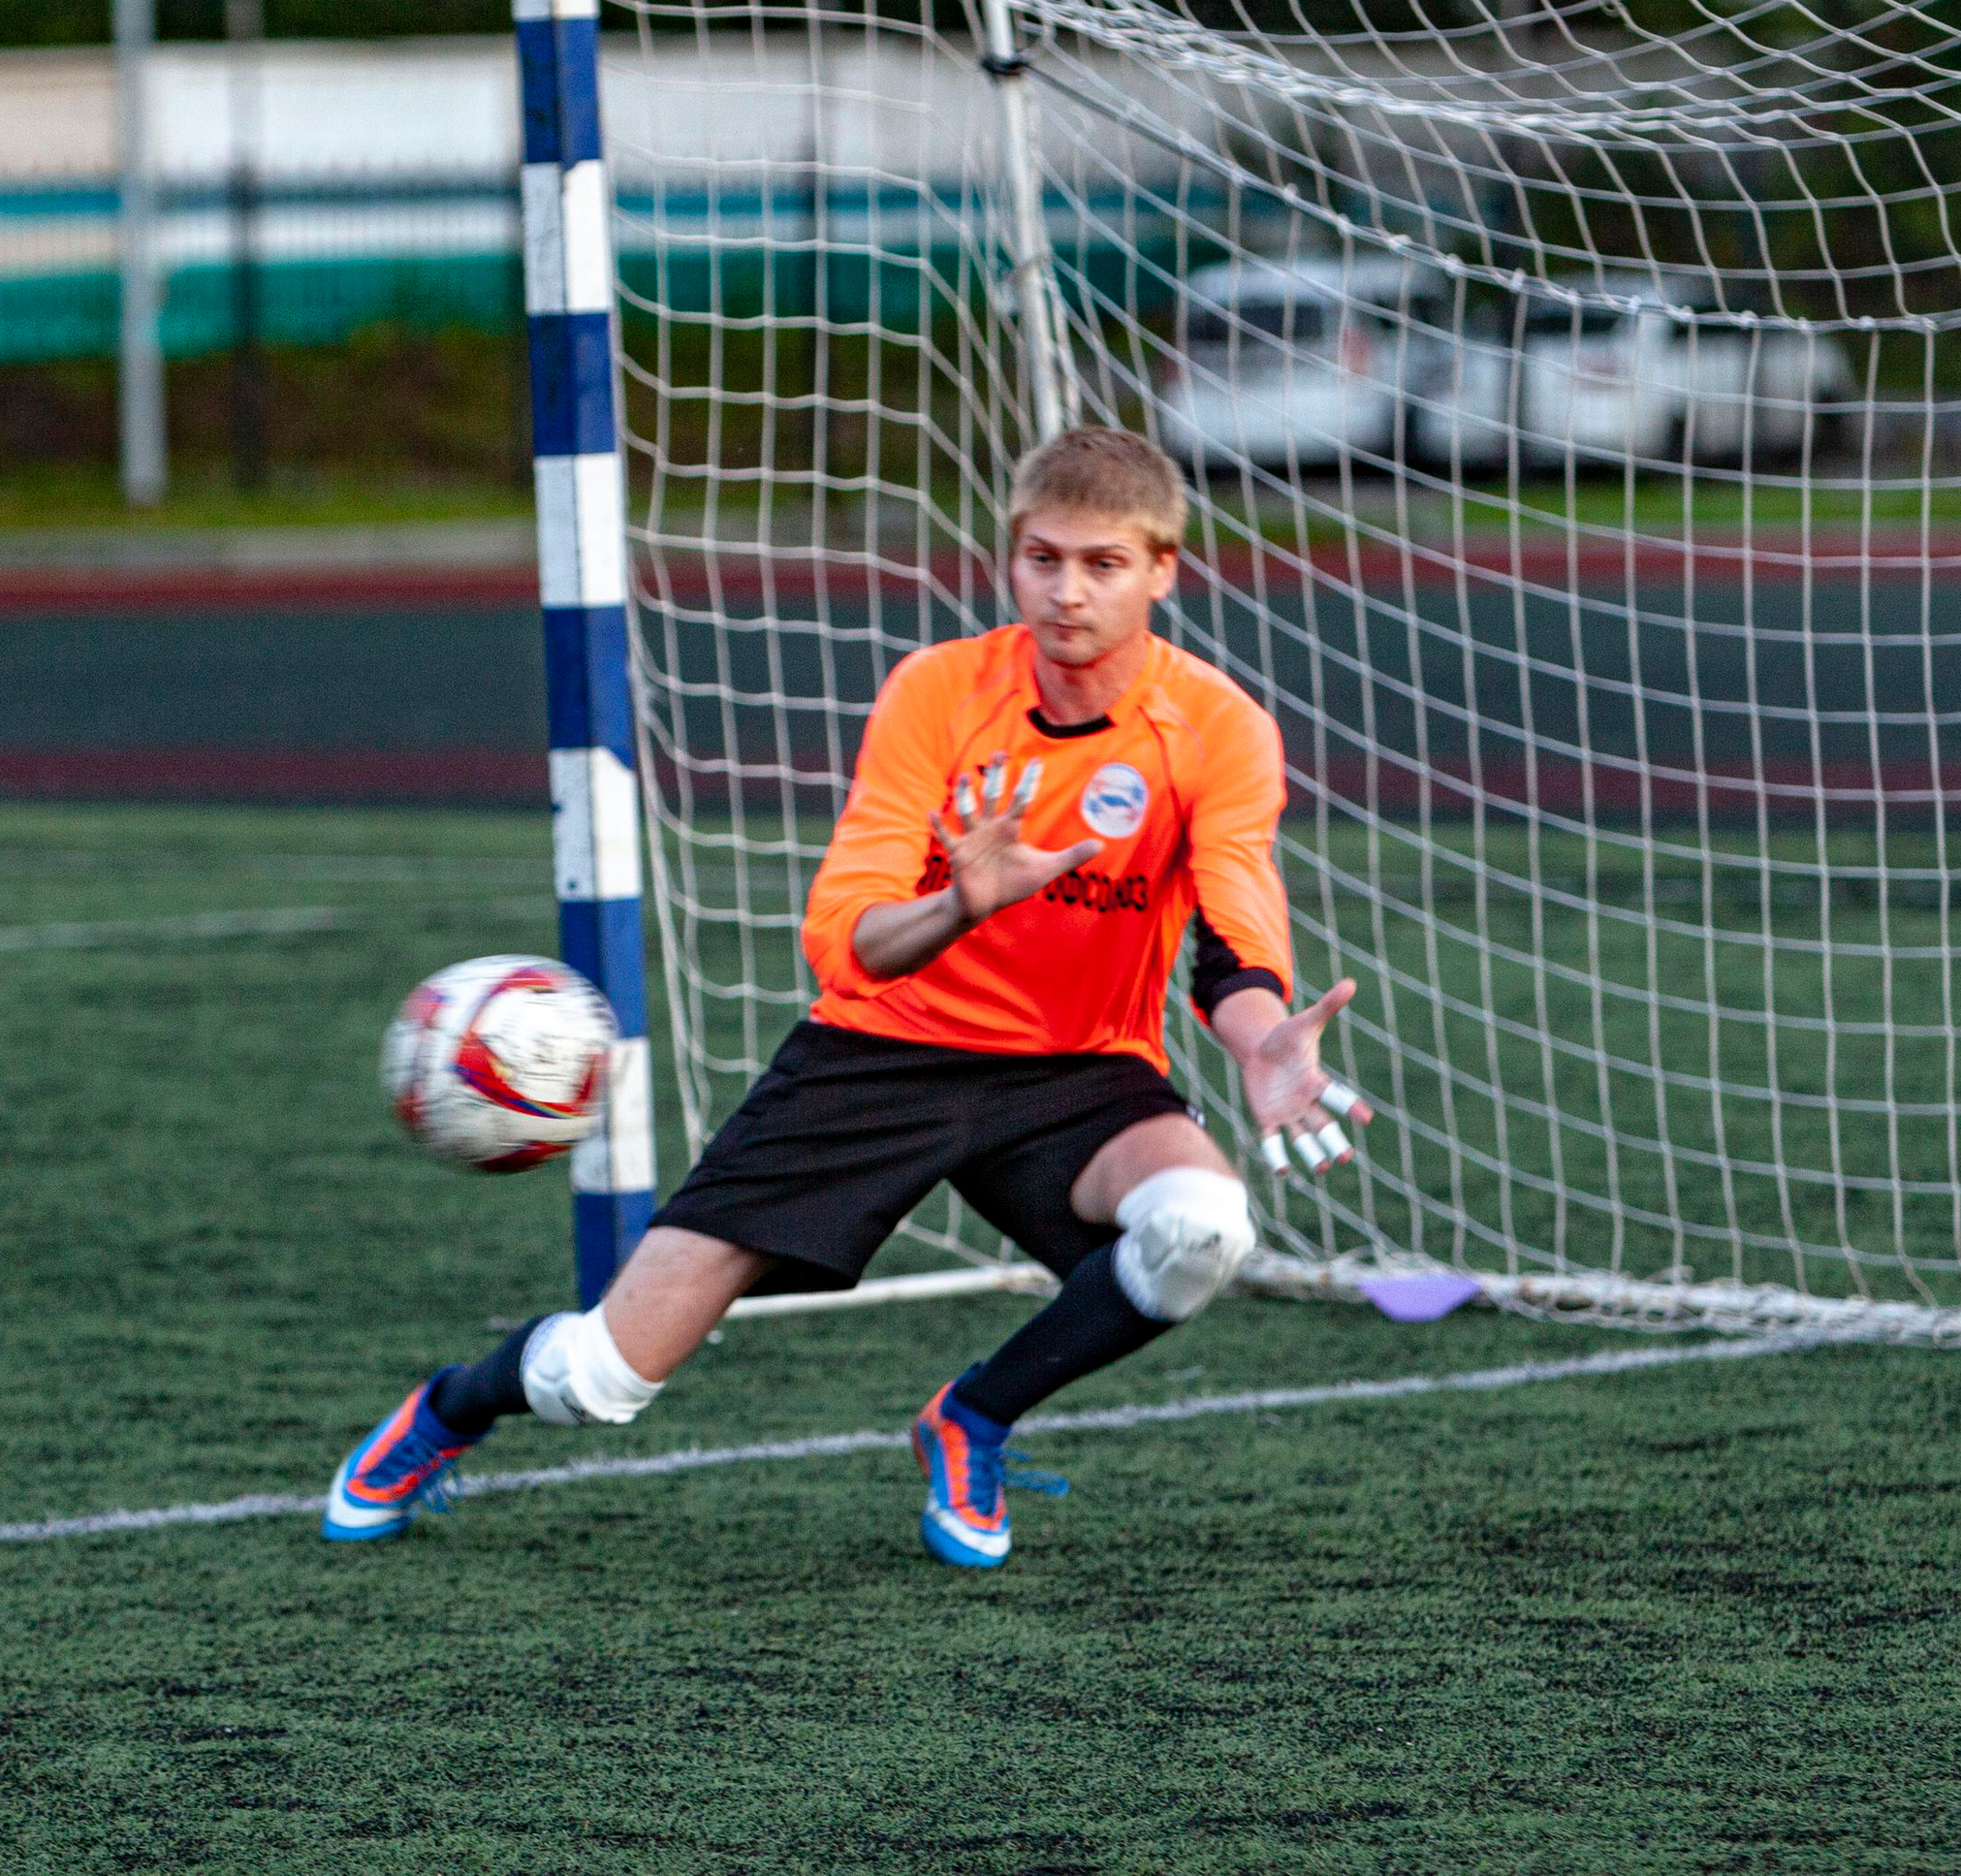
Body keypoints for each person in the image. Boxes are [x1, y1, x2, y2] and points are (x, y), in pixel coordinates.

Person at [325, 424, 1369, 1569]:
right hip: (878, 1052)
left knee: (1202, 1225)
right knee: (600, 1381)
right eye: (1042, 558)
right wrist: (960, 905)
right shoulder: (937, 692)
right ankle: (448, 1409)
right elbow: (844, 941)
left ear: (1162, 569)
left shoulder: (1216, 727)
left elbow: (1231, 924)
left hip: (1078, 1072)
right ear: (1011, 557)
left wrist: (1265, 1040)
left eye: (1103, 564)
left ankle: (971, 1416)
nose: (1066, 593)